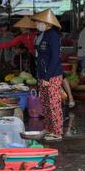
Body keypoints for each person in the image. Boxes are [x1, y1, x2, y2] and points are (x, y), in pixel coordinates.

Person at [32, 8, 64, 142]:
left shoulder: (53, 35)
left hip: (52, 76)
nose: (37, 24)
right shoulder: (43, 34)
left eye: (39, 21)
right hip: (42, 74)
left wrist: (47, 77)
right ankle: (49, 128)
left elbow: (55, 58)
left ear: (48, 22)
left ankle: (57, 132)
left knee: (53, 104)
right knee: (45, 103)